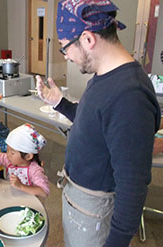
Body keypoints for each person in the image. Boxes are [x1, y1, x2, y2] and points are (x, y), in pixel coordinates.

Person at [35, 1, 161, 246]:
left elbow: (132, 184)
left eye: (65, 48)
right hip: (80, 198)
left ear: (88, 39)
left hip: (96, 209)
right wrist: (59, 102)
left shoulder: (130, 96)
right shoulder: (104, 76)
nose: (67, 56)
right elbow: (93, 123)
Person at [0, 123, 49, 198]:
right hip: (12, 198)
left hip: (28, 204)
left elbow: (44, 192)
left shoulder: (34, 170)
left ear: (28, 156)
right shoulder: (8, 159)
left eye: (12, 152)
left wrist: (21, 186)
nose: (8, 154)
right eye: (7, 150)